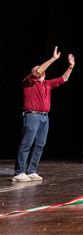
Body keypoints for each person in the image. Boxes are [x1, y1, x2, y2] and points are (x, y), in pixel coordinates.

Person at [13, 46, 75, 182]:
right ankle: (19, 172)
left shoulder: (47, 84)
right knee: (27, 143)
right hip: (32, 116)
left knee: (40, 144)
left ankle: (32, 170)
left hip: (44, 117)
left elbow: (64, 79)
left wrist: (71, 66)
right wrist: (53, 59)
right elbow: (39, 70)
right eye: (38, 69)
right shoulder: (29, 82)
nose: (41, 71)